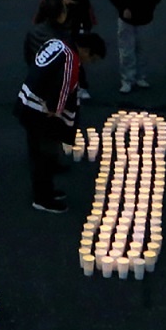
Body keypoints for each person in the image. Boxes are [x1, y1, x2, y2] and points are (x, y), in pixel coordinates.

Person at [17, 30, 104, 212]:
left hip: (27, 101)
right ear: (86, 50)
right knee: (45, 154)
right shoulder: (71, 59)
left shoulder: (56, 43)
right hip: (39, 111)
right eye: (92, 59)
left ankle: (45, 191)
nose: (89, 63)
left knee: (37, 152)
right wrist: (55, 108)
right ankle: (43, 199)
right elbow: (63, 88)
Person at [108, 0, 164, 95]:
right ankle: (127, 79)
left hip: (145, 19)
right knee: (127, 51)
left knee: (143, 50)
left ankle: (140, 77)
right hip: (127, 21)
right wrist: (123, 8)